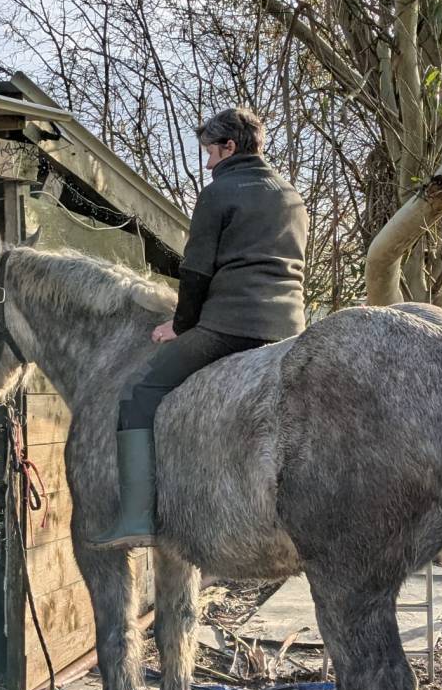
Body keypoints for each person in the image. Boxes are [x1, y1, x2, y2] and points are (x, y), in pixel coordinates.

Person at [92, 107, 309, 549]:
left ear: (229, 147)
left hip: (230, 326)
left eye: (210, 151)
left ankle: (136, 518)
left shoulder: (220, 191)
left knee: (138, 393)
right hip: (289, 328)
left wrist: (182, 324)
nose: (208, 163)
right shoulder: (291, 195)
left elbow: (195, 272)